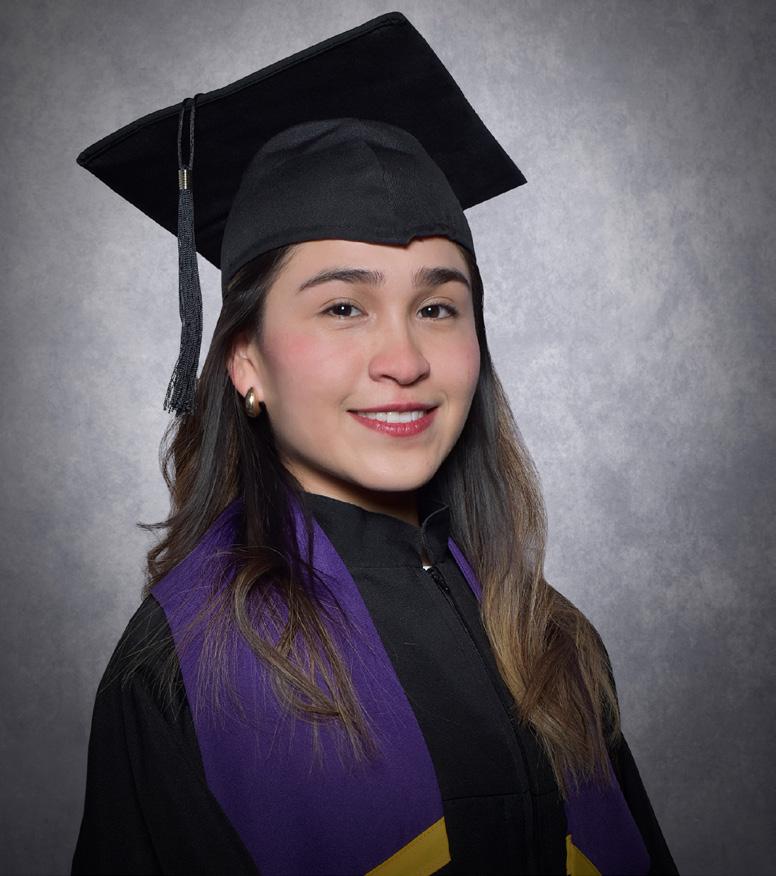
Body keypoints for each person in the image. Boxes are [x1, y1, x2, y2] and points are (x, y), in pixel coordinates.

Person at [71, 11, 678, 876]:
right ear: (246, 361)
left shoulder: (552, 640)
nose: (404, 359)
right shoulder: (182, 672)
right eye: (343, 306)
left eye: (437, 307)